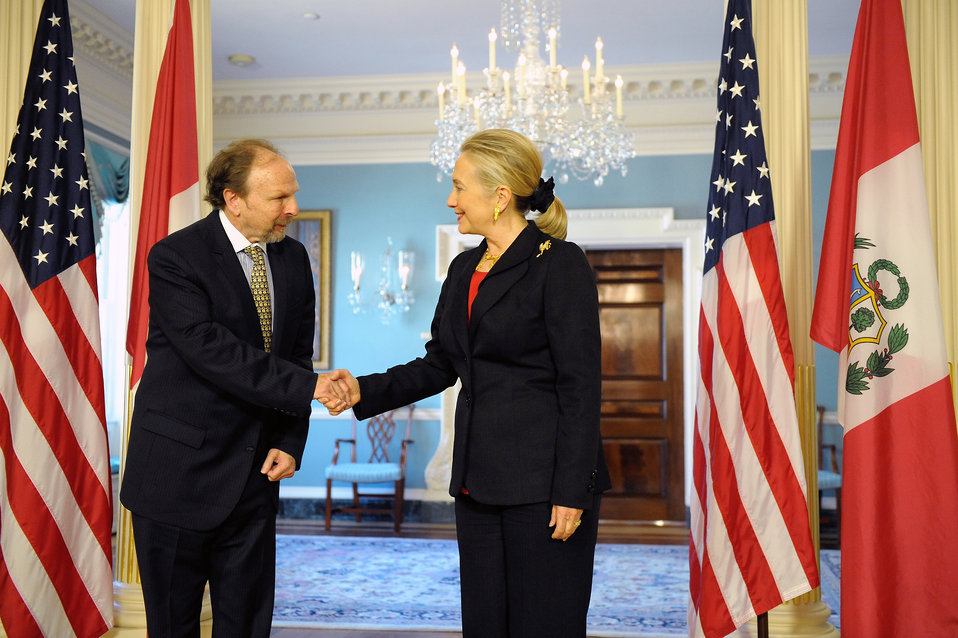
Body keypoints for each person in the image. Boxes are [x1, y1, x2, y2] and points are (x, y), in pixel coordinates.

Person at [333, 129, 612, 637]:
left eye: (460, 187)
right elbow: (440, 363)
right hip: (477, 483)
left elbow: (580, 387)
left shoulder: (560, 264)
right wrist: (362, 390)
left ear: (501, 195)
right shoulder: (464, 267)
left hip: (546, 486)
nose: (450, 199)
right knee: (484, 624)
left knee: (543, 625)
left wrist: (572, 490)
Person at [120, 138, 349, 637]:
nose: (293, 208)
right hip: (177, 476)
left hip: (254, 477)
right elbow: (211, 351)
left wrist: (289, 442)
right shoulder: (176, 257)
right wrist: (312, 387)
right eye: (278, 199)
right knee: (174, 627)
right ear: (233, 199)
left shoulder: (291, 259)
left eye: (293, 194)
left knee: (246, 626)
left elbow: (294, 355)